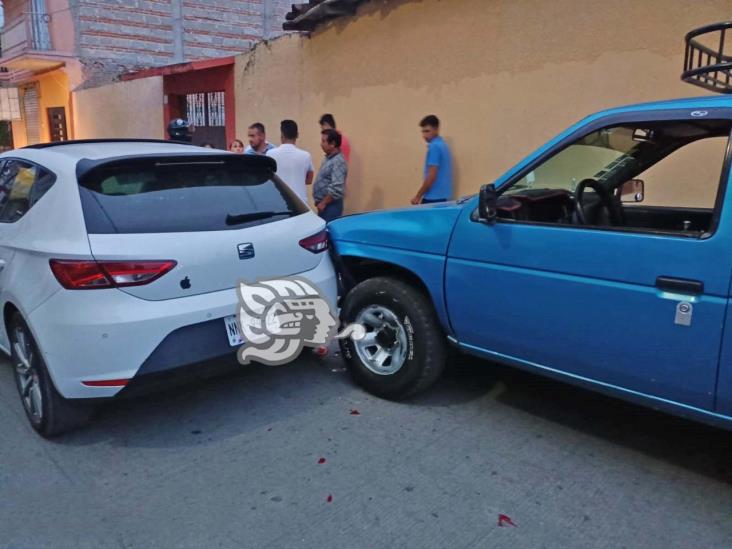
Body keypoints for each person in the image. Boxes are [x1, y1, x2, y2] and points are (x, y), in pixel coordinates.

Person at [266, 120, 314, 204]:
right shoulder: (306, 156)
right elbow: (309, 180)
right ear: (297, 135)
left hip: (279, 202)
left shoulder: (270, 154)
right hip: (301, 204)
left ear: (282, 135)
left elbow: (267, 178)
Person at [411, 115, 453, 205]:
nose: (424, 135)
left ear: (436, 129)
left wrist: (418, 196)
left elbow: (431, 176)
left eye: (427, 131)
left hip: (432, 198)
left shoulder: (434, 147)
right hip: (443, 197)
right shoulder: (444, 145)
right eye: (423, 131)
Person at [313, 129, 347, 222]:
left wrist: (323, 203)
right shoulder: (329, 158)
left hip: (331, 207)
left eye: (324, 141)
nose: (321, 144)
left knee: (328, 233)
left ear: (332, 143)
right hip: (325, 206)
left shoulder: (338, 161)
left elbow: (337, 188)